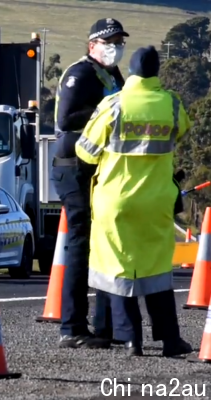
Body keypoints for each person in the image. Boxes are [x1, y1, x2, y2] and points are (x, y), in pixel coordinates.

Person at [75, 46, 193, 357]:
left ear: (131, 71)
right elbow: (182, 131)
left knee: (118, 268)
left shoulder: (113, 104)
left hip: (115, 200)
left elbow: (84, 150)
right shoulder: (171, 104)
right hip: (157, 201)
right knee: (156, 270)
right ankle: (170, 340)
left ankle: (131, 340)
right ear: (157, 71)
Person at [52, 18, 130, 349]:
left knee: (103, 242)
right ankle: (72, 327)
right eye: (108, 41)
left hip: (100, 167)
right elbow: (66, 119)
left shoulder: (112, 75)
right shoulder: (79, 74)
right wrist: (105, 114)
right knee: (80, 243)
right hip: (73, 166)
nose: (115, 46)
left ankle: (105, 326)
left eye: (119, 41)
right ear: (92, 45)